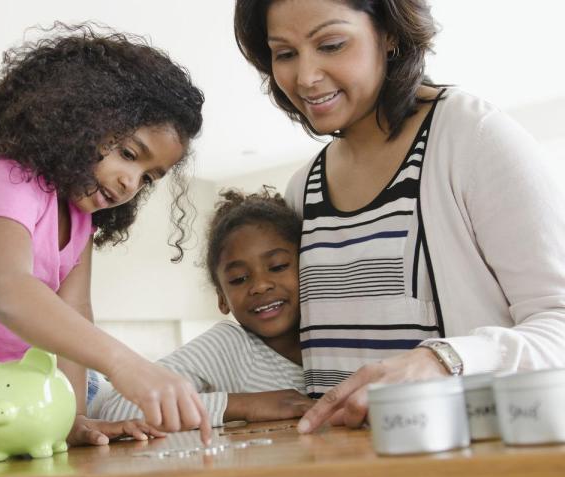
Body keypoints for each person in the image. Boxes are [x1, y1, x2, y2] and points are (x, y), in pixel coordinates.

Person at [234, 0, 565, 434]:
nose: (306, 77)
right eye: (285, 53)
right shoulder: (303, 188)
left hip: (459, 471)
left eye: (331, 44)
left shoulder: (473, 137)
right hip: (339, 476)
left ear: (389, 34)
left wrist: (442, 360)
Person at [0, 23, 213, 450]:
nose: (131, 182)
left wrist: (73, 417)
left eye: (148, 178)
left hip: (48, 405)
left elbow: (76, 311)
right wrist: (124, 363)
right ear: (77, 119)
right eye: (129, 154)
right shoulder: (5, 178)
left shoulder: (80, 220)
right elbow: (11, 292)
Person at [90, 188, 312, 427]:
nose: (260, 286)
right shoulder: (230, 346)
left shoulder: (338, 343)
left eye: (277, 266)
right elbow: (115, 409)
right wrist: (243, 405)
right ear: (222, 299)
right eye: (239, 279)